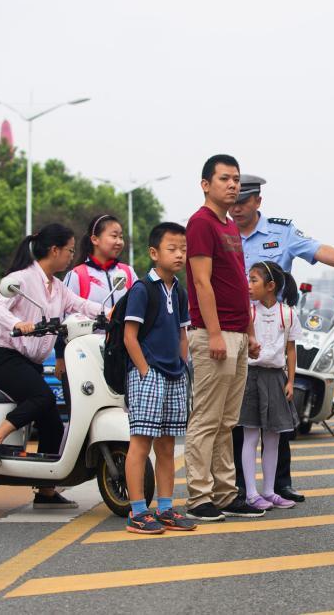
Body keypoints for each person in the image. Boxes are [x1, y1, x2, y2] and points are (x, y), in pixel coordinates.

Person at [229, 174, 334, 503]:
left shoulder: (281, 232)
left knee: (278, 412)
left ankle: (279, 484)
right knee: (242, 416)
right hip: (238, 330)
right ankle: (241, 486)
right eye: (233, 201)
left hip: (276, 330)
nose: (236, 208)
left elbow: (317, 250)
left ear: (257, 202)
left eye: (243, 202)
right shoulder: (223, 233)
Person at [0, 224, 106, 509]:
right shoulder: (21, 279)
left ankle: (45, 491)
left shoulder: (58, 288)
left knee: (52, 423)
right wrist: (16, 324)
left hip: (29, 362)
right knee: (42, 398)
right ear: (54, 250)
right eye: (70, 250)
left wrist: (109, 312)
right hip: (4, 356)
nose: (72, 256)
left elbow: (82, 305)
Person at [183, 154, 265, 522]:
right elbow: (202, 282)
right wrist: (214, 333)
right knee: (206, 419)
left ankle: (226, 493)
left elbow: (237, 284)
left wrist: (248, 331)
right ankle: (199, 496)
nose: (232, 185)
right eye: (224, 179)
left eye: (235, 179)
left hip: (235, 333)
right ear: (206, 185)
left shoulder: (230, 225)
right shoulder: (200, 223)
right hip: (212, 336)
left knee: (227, 421)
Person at [121, 222, 197, 534]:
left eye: (183, 249)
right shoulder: (142, 289)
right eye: (172, 249)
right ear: (154, 253)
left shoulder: (177, 290)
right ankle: (138, 511)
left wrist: (183, 364)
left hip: (175, 375)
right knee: (140, 444)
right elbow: (129, 337)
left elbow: (182, 333)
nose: (179, 254)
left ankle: (165, 508)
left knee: (167, 445)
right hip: (148, 374)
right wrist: (144, 370)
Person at [238, 261, 302, 511]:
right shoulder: (248, 312)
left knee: (273, 438)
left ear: (271, 286)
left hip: (276, 377)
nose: (249, 285)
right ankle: (252, 493)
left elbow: (291, 349)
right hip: (250, 376)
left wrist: (291, 380)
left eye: (253, 280)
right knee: (250, 435)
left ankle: (270, 491)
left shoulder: (287, 314)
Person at [54, 214, 137, 402]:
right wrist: (60, 356)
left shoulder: (128, 273)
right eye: (113, 236)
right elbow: (63, 318)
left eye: (121, 237)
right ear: (95, 239)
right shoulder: (77, 275)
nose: (119, 241)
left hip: (122, 355)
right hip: (86, 356)